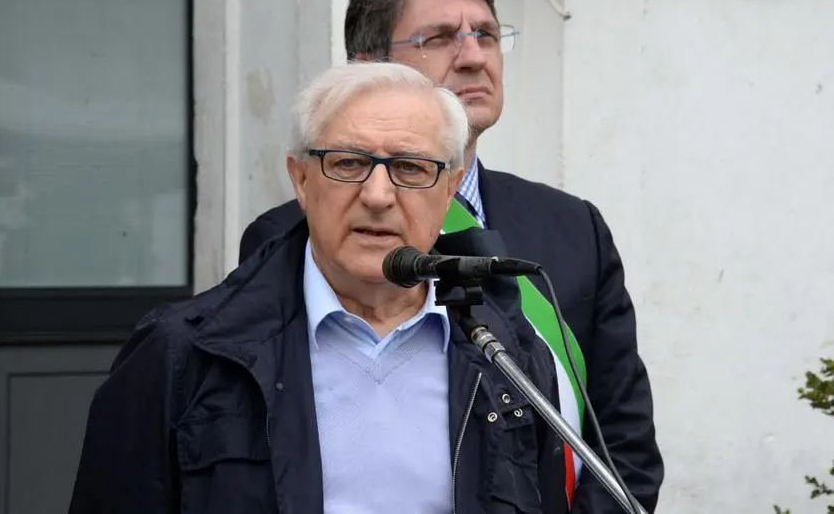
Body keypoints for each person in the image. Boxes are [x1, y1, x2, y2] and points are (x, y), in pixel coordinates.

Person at [238, 0, 664, 513]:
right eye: (439, 38)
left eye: (486, 35)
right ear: (370, 66)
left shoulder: (571, 225)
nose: (473, 58)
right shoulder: (289, 235)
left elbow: (623, 443)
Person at [68, 61, 569, 514]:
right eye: (348, 163)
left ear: (448, 190)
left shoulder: (509, 357)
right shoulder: (183, 355)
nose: (377, 196)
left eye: (410, 168)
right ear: (301, 180)